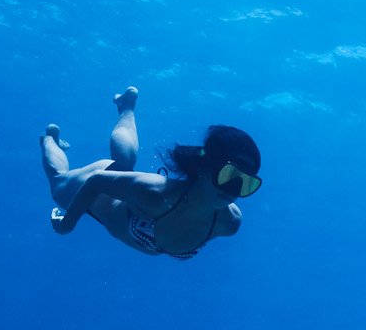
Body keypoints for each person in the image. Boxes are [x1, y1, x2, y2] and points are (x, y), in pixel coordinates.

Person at [42, 87, 262, 260]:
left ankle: (126, 105)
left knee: (123, 162)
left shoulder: (229, 223)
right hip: (96, 197)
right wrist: (67, 224)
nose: (233, 191)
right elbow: (96, 181)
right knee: (58, 182)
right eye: (229, 175)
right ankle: (50, 138)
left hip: (119, 185)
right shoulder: (157, 193)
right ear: (204, 168)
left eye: (245, 184)